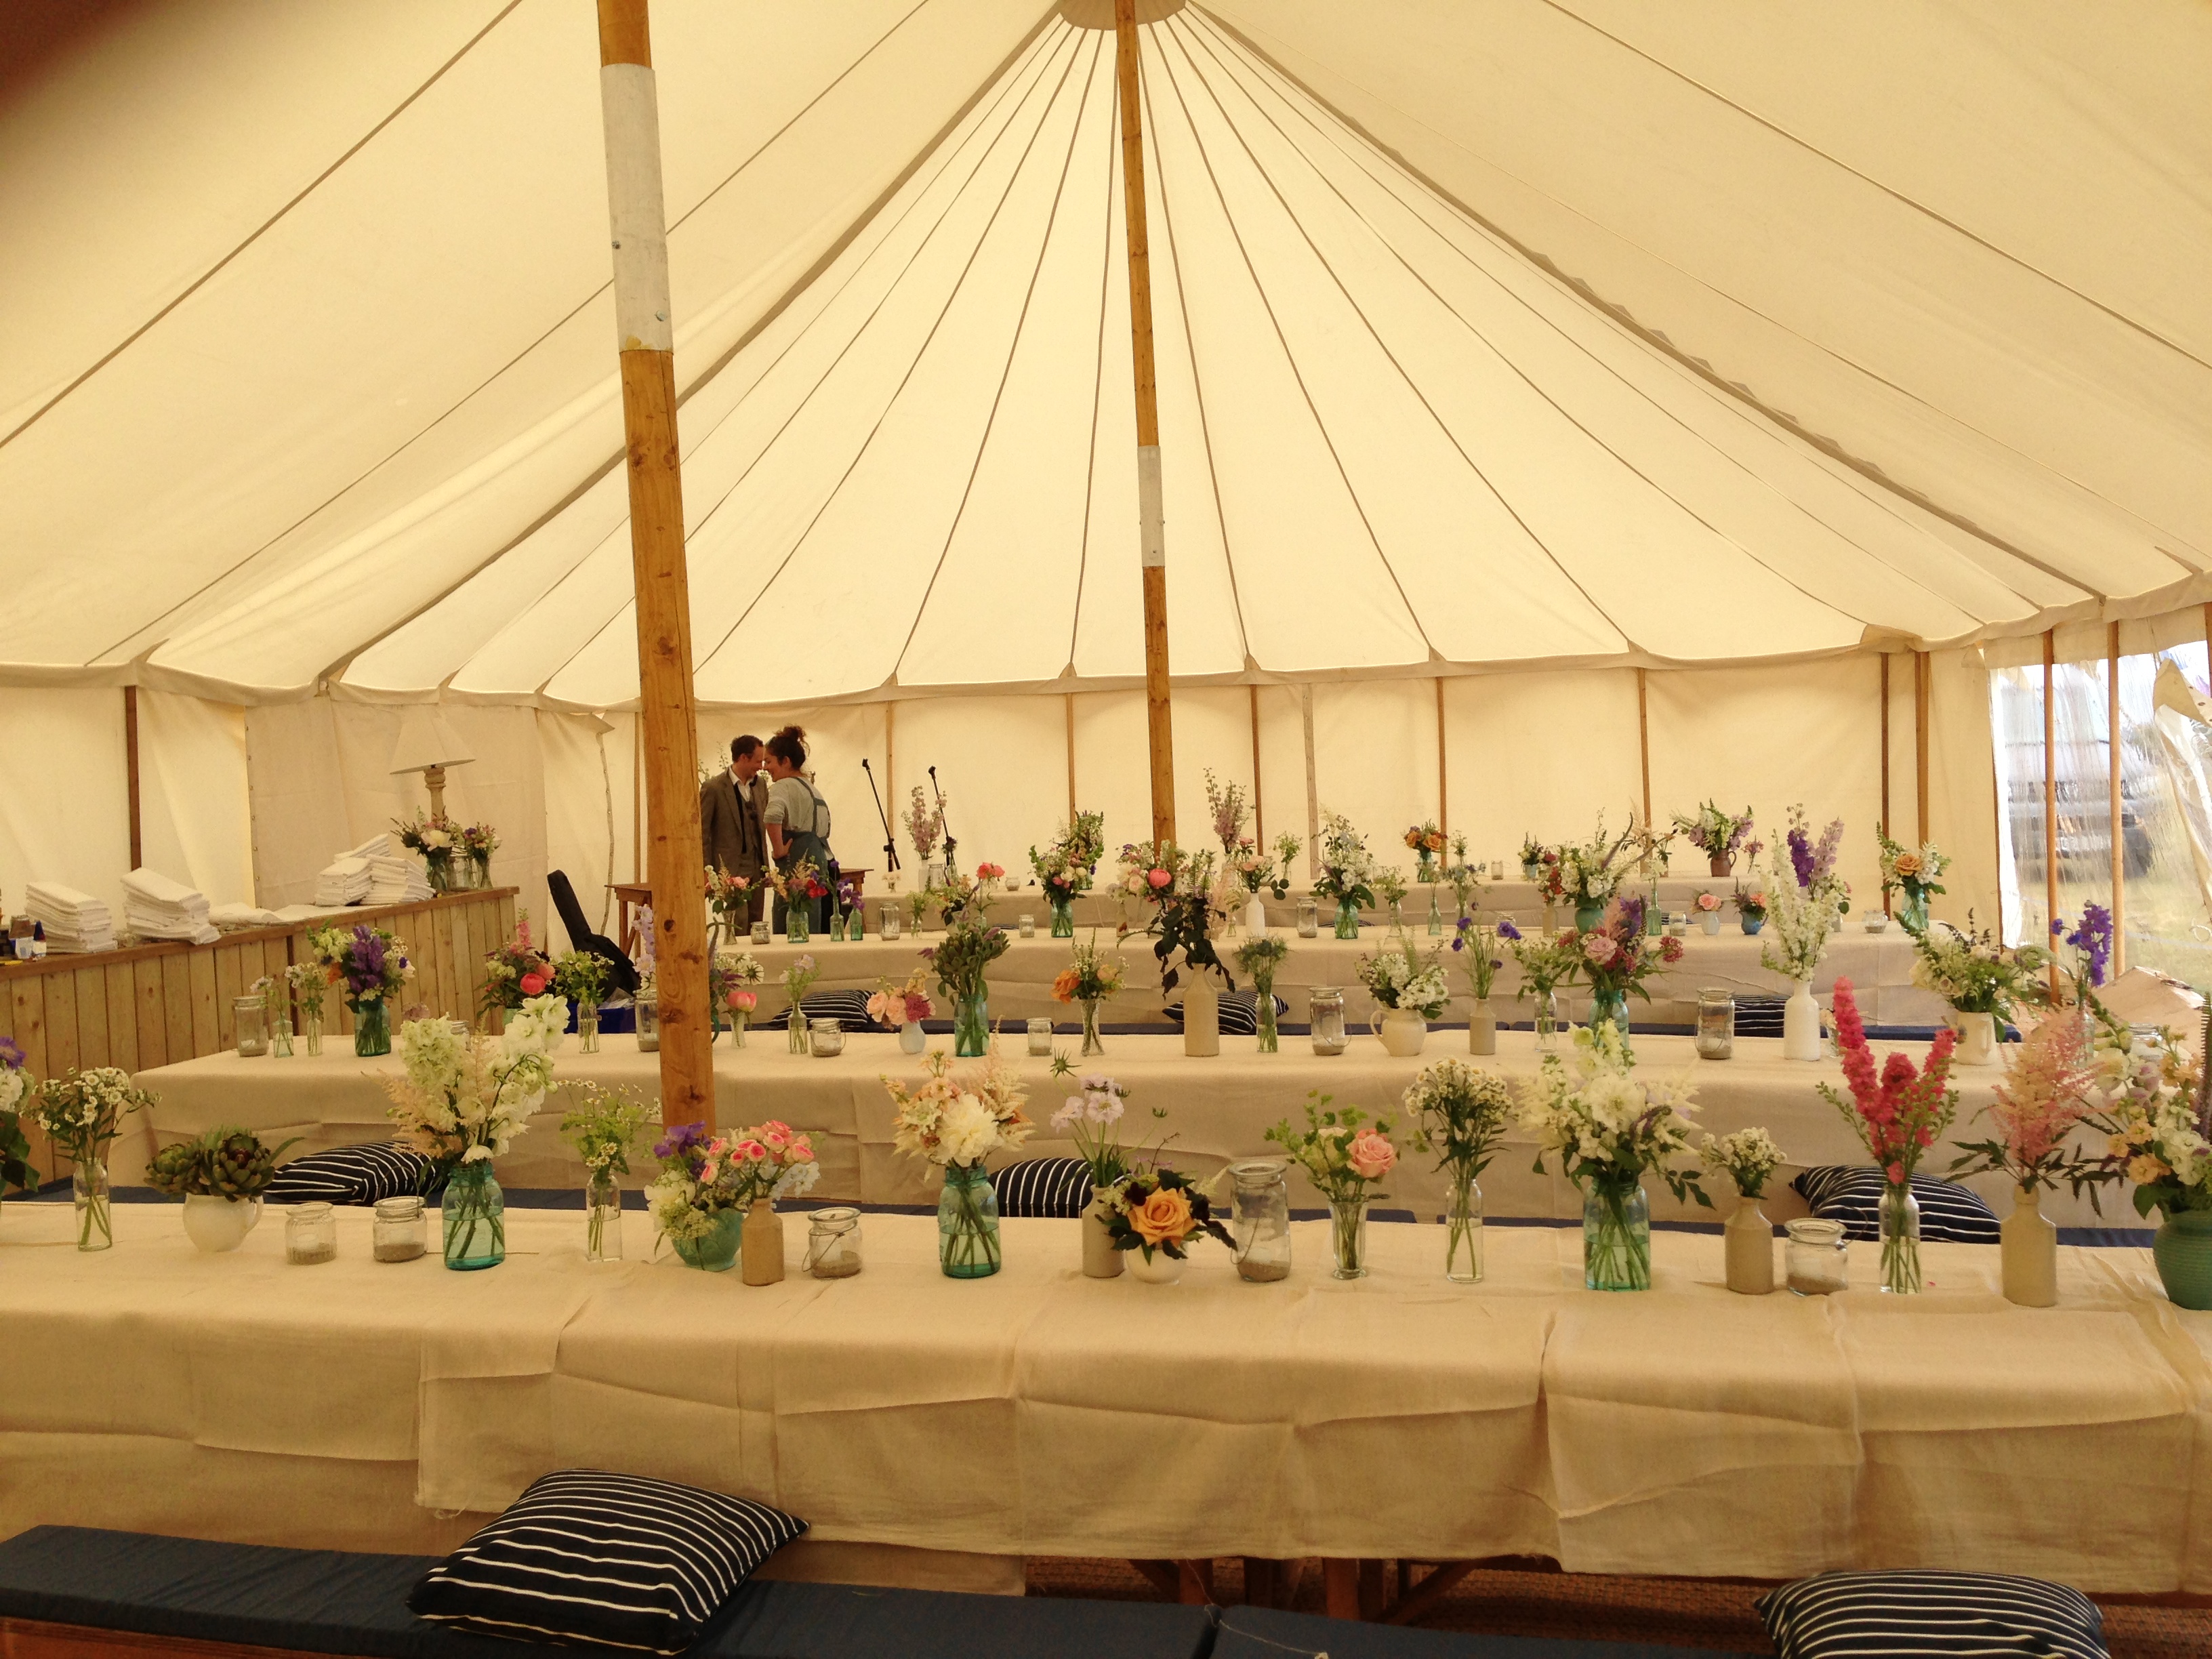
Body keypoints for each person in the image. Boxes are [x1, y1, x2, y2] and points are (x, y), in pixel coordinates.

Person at [762, 724, 835, 933]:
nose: (765, 767)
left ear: (786, 761)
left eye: (769, 761)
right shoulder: (813, 789)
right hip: (817, 860)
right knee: (811, 918)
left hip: (795, 860)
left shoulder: (782, 786)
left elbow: (772, 816)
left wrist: (778, 850)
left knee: (790, 916)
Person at [700, 735, 769, 923]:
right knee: (738, 922)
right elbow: (702, 833)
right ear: (743, 758)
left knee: (757, 922)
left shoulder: (761, 786)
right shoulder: (713, 788)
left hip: (757, 866)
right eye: (758, 761)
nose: (761, 767)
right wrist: (707, 871)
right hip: (730, 868)